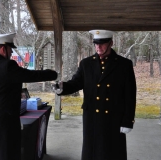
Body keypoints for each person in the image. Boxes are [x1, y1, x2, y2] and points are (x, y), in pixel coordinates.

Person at [53, 29, 136, 160]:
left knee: (113, 152)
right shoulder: (86, 63)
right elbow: (76, 83)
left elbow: (130, 95)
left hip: (113, 117)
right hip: (92, 116)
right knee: (92, 151)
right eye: (96, 43)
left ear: (111, 43)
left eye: (102, 43)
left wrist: (128, 120)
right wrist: (62, 88)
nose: (98, 47)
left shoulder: (123, 64)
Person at [0, 33, 57, 160]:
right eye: (10, 49)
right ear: (4, 49)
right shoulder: (7, 66)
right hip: (4, 125)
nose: (11, 53)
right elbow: (31, 76)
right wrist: (52, 74)